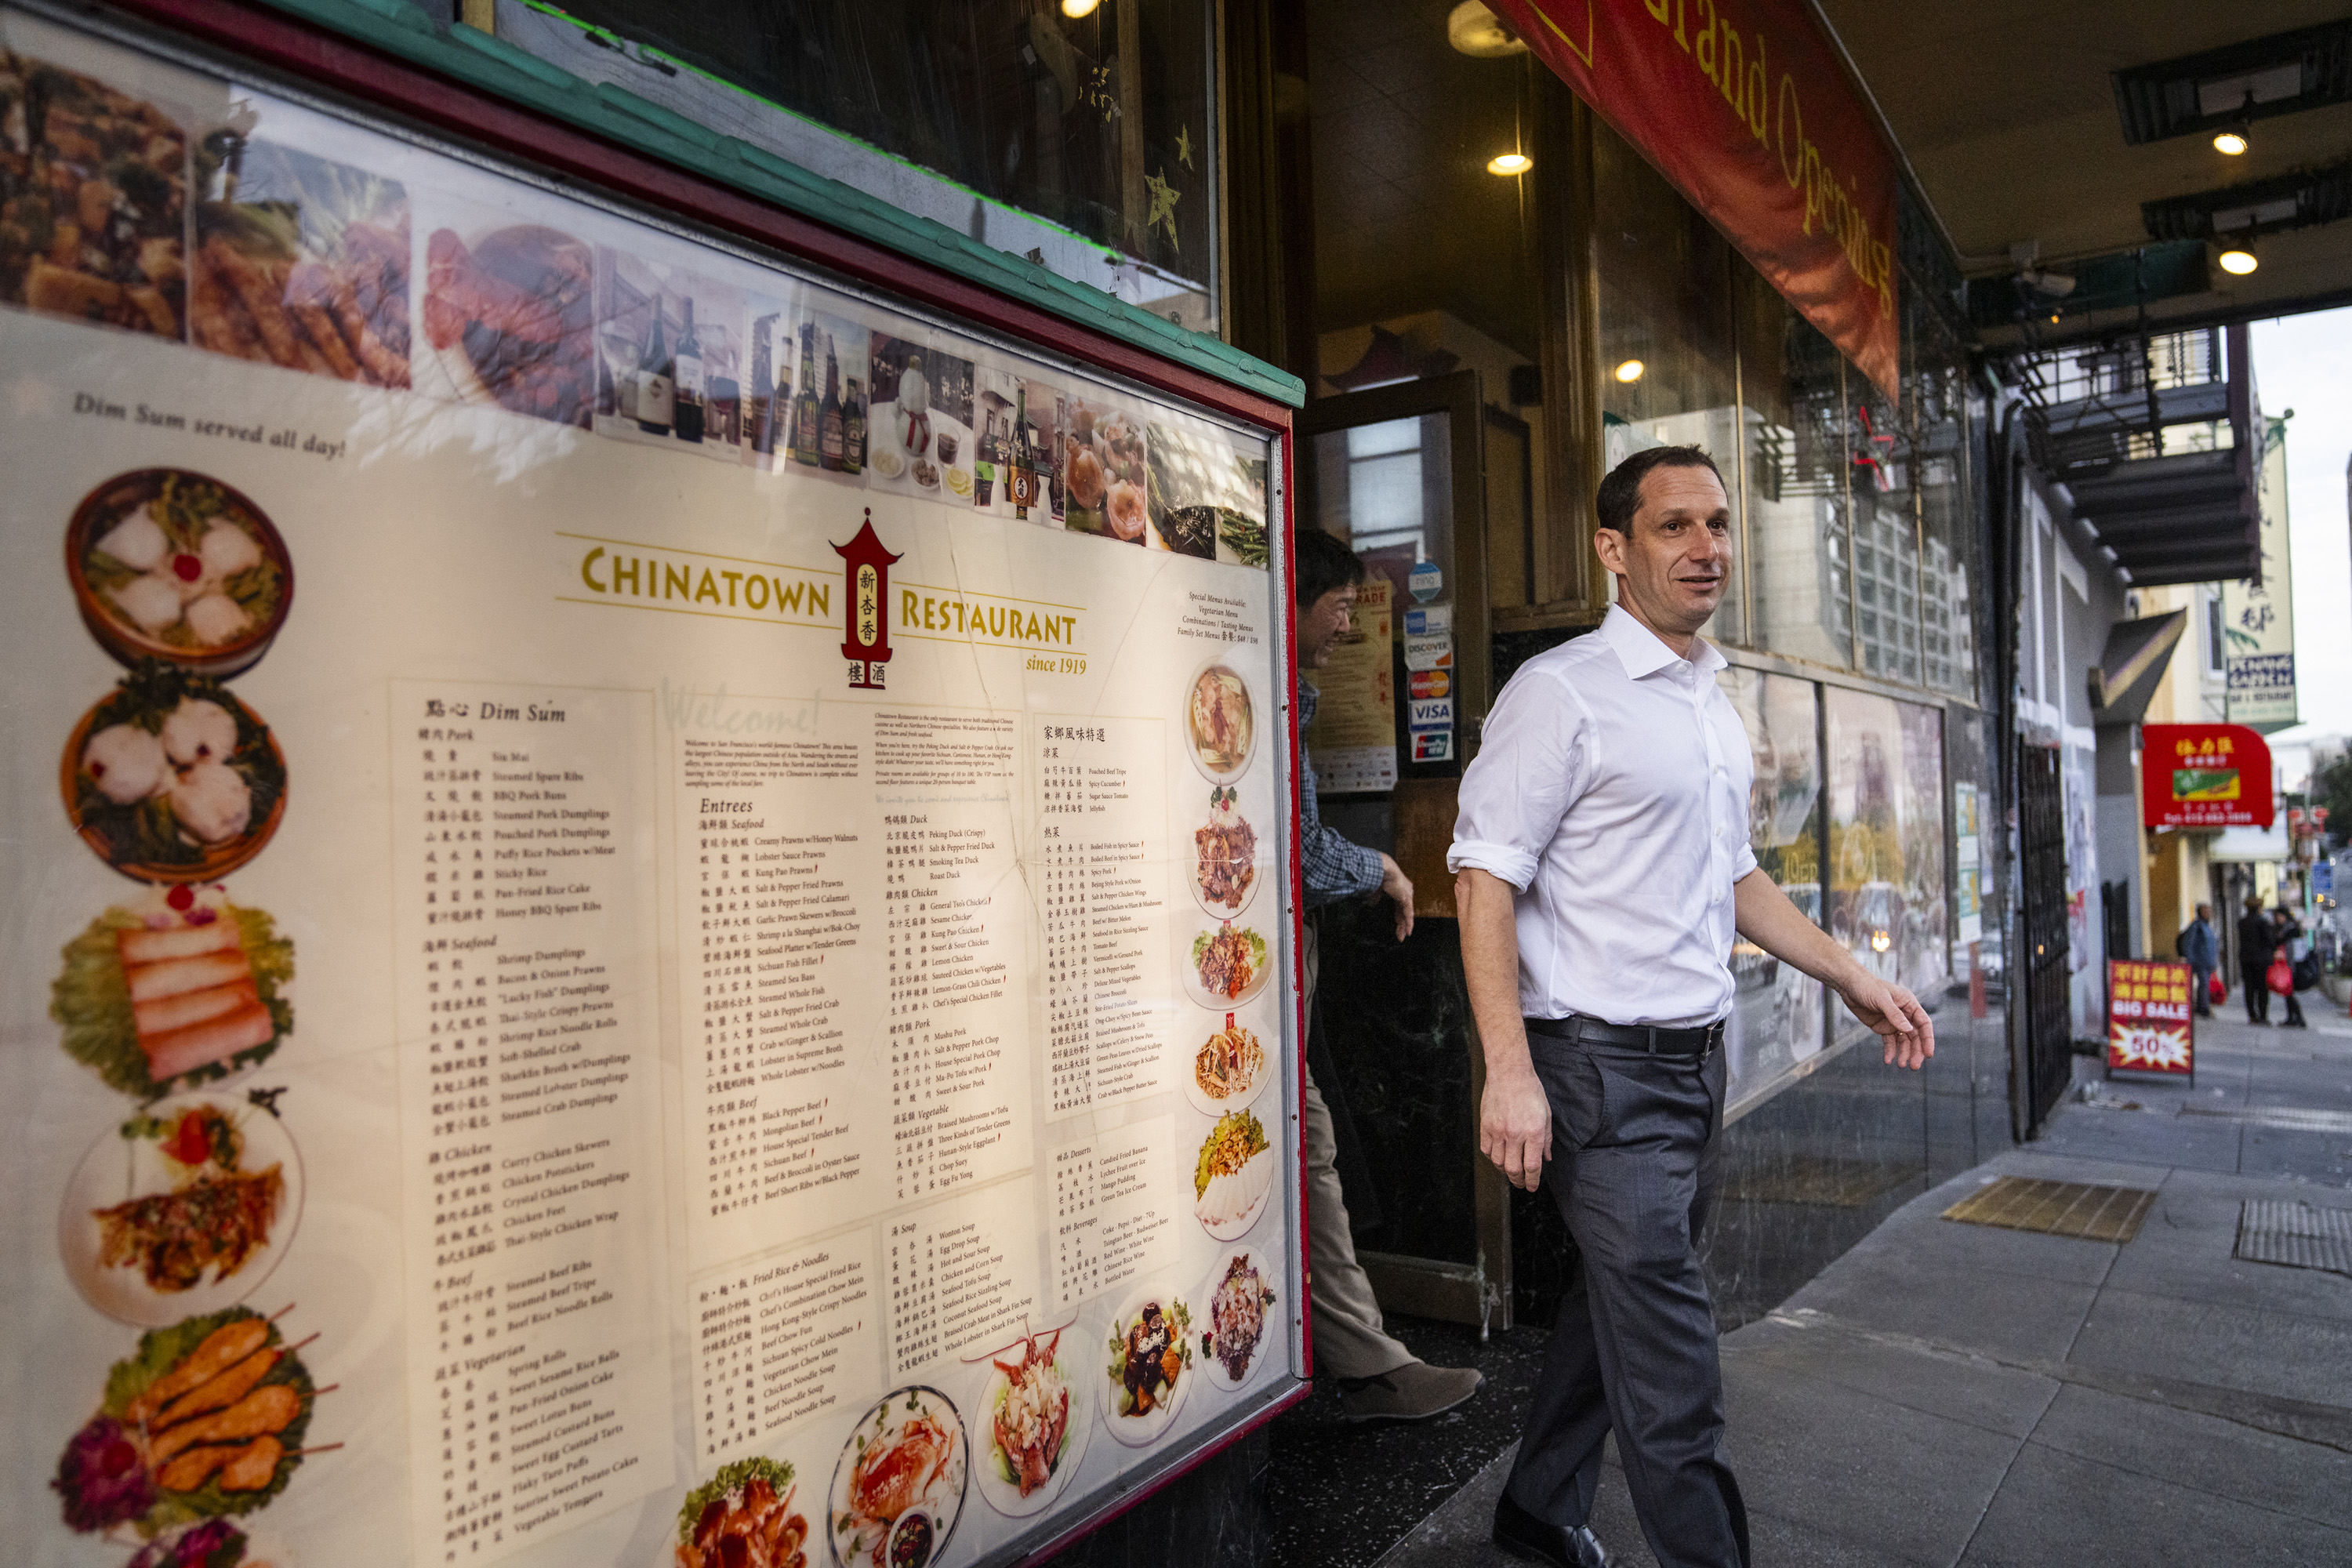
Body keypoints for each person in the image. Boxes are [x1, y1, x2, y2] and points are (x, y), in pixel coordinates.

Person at [1451, 445, 1935, 1568]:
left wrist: (1851, 976)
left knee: (1619, 1309)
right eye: (1674, 526)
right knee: (1675, 1370)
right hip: (1595, 1072)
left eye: (1718, 523)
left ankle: (1534, 1510)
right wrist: (1508, 1070)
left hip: (1690, 1065)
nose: (1707, 546)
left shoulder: (1709, 704)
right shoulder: (1562, 693)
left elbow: (1734, 880)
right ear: (1614, 550)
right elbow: (1482, 879)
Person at [1291, 526, 1483, 1422]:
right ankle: (1363, 1362)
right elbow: (1286, 847)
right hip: (1253, 982)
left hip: (1276, 975)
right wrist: (1382, 868)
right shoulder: (1261, 693)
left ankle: (1355, 1358)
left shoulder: (1286, 692)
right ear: (1297, 598)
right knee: (1309, 1144)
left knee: (1310, 1143)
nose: (1346, 625)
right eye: (1338, 607)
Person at [2237, 895, 2277, 1025]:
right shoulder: (2262, 922)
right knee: (2262, 989)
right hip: (2262, 959)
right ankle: (2263, 1015)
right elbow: (2270, 941)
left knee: (2249, 988)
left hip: (2246, 958)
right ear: (2259, 908)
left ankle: (2252, 1015)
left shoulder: (2242, 922)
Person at [2178, 903, 2219, 1018]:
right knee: (2204, 985)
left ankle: (2203, 1006)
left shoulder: (2208, 927)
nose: (2209, 914)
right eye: (2207, 912)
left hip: (2208, 962)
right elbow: (2188, 943)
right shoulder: (2196, 926)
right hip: (2200, 961)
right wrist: (2190, 959)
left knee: (2204, 985)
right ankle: (2203, 1008)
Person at [2274, 906, 2310, 1029]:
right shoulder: (2287, 928)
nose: (2278, 919)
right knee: (2287, 992)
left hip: (2291, 965)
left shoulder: (2290, 929)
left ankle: (2298, 1018)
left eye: (2279, 916)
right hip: (2287, 964)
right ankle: (2292, 1017)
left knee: (2289, 993)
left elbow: (2292, 949)